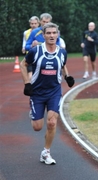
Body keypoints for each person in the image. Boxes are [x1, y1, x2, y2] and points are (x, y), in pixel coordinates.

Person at [20, 22, 75, 165]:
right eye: (48, 33)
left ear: (58, 35)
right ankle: (33, 113)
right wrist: (27, 83)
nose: (51, 36)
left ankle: (46, 152)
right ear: (43, 35)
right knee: (37, 127)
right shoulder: (36, 51)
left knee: (51, 122)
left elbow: (62, 64)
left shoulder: (62, 52)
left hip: (54, 92)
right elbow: (22, 64)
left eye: (54, 33)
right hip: (37, 92)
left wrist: (67, 76)